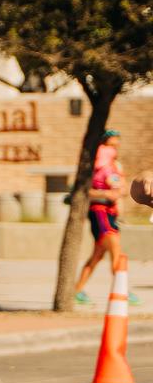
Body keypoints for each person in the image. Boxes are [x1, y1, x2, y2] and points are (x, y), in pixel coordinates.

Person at [75, 129, 131, 305]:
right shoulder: (93, 166)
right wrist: (106, 194)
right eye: (111, 144)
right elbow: (84, 190)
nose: (115, 148)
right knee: (116, 250)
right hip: (99, 212)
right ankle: (121, 290)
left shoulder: (115, 166)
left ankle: (76, 290)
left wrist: (120, 190)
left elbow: (121, 188)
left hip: (111, 213)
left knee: (97, 255)